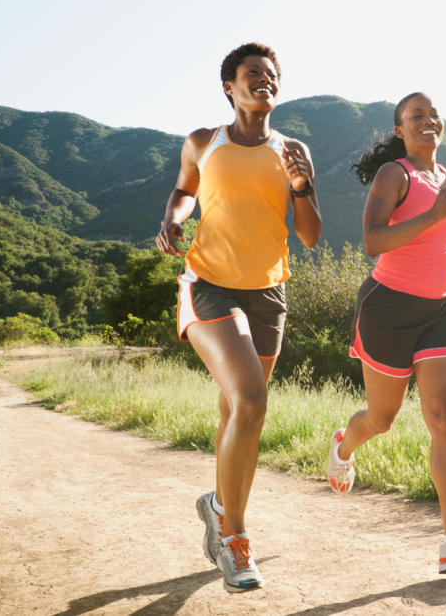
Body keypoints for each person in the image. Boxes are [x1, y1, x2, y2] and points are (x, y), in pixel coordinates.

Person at [155, 42, 321, 592]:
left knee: (236, 414)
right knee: (252, 400)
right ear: (230, 86)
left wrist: (303, 186)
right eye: (253, 74)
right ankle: (234, 537)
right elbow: (185, 190)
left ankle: (216, 505)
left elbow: (311, 234)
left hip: (268, 292)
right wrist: (174, 219)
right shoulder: (205, 141)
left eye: (271, 75)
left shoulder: (293, 149)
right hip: (210, 285)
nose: (263, 80)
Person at [329, 91, 446, 574]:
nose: (429, 120)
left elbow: (439, 239)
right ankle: (344, 445)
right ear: (400, 130)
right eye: (416, 116)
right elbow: (373, 241)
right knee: (381, 419)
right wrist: (434, 216)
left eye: (434, 114)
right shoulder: (394, 174)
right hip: (389, 309)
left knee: (444, 417)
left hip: (444, 308)